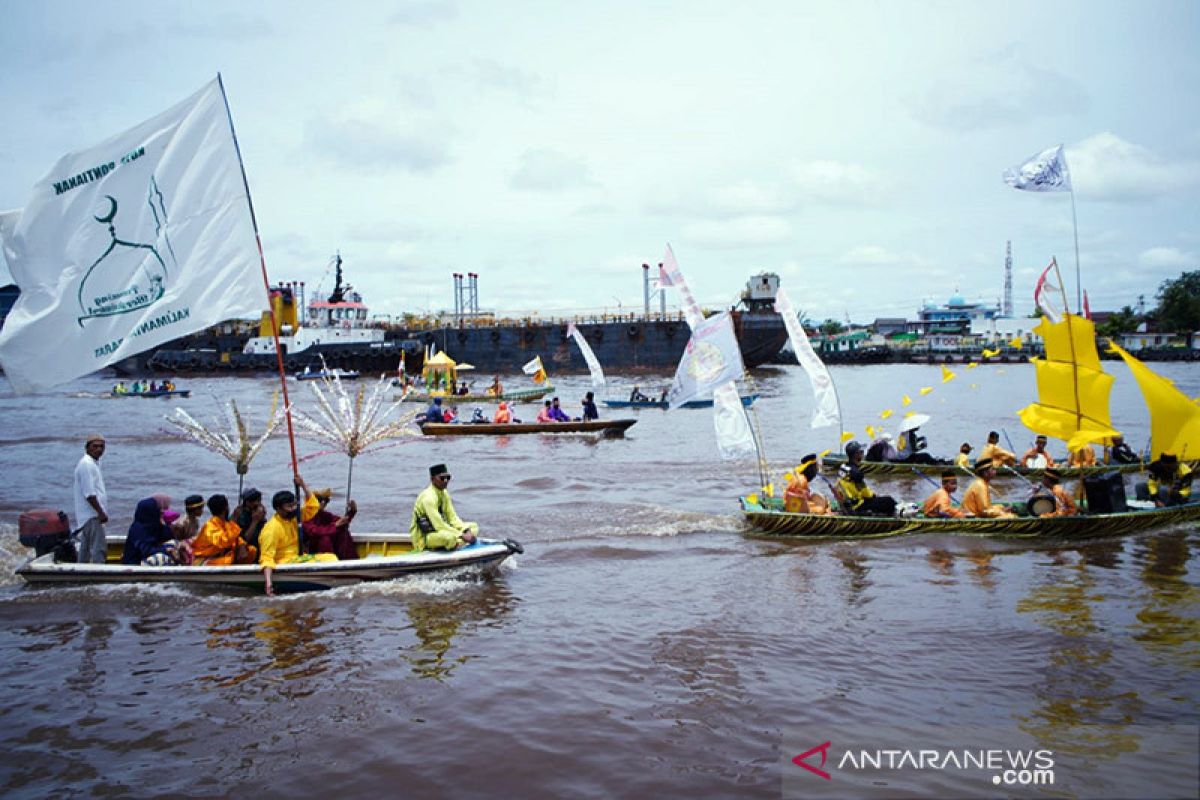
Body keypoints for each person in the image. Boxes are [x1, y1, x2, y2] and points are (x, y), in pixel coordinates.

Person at [259, 488, 338, 596]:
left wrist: (302, 485)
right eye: (289, 506)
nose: (293, 509)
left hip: (297, 558)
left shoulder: (294, 517)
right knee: (329, 561)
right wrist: (268, 582)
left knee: (330, 557)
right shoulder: (271, 529)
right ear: (278, 509)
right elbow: (267, 558)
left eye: (294, 505)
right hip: (284, 562)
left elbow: (313, 507)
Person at [409, 464, 479, 552]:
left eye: (448, 478)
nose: (446, 481)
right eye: (442, 478)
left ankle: (456, 543)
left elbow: (452, 517)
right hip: (425, 536)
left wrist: (466, 530)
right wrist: (461, 535)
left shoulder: (444, 493)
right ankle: (453, 544)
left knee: (474, 527)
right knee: (450, 538)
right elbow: (439, 525)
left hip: (440, 531)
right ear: (432, 479)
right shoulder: (429, 497)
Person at [297, 477, 358, 561]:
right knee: (325, 538)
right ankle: (329, 563)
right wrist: (335, 526)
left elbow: (341, 521)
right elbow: (315, 531)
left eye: (325, 500)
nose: (323, 503)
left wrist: (352, 512)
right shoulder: (304, 515)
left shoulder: (324, 515)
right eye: (319, 500)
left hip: (327, 549)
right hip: (310, 549)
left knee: (343, 531)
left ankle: (350, 560)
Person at [73, 433, 109, 564]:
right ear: (87, 448)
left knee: (86, 548)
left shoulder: (94, 463)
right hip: (92, 515)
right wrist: (100, 512)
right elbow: (89, 494)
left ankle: (81, 572)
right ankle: (100, 576)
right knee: (99, 548)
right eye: (95, 446)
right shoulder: (86, 464)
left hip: (90, 515)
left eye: (102, 447)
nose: (99, 449)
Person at [192, 493, 256, 565]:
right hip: (205, 559)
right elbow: (224, 542)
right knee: (228, 560)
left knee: (251, 550)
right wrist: (235, 518)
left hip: (221, 556)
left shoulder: (226, 523)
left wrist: (242, 545)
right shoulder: (209, 526)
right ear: (226, 508)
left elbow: (237, 538)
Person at [121, 497, 181, 565]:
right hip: (136, 562)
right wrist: (166, 550)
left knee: (175, 543)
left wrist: (163, 522)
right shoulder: (138, 529)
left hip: (147, 556)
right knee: (161, 557)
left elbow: (168, 536)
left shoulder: (153, 525)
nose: (160, 511)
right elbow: (145, 550)